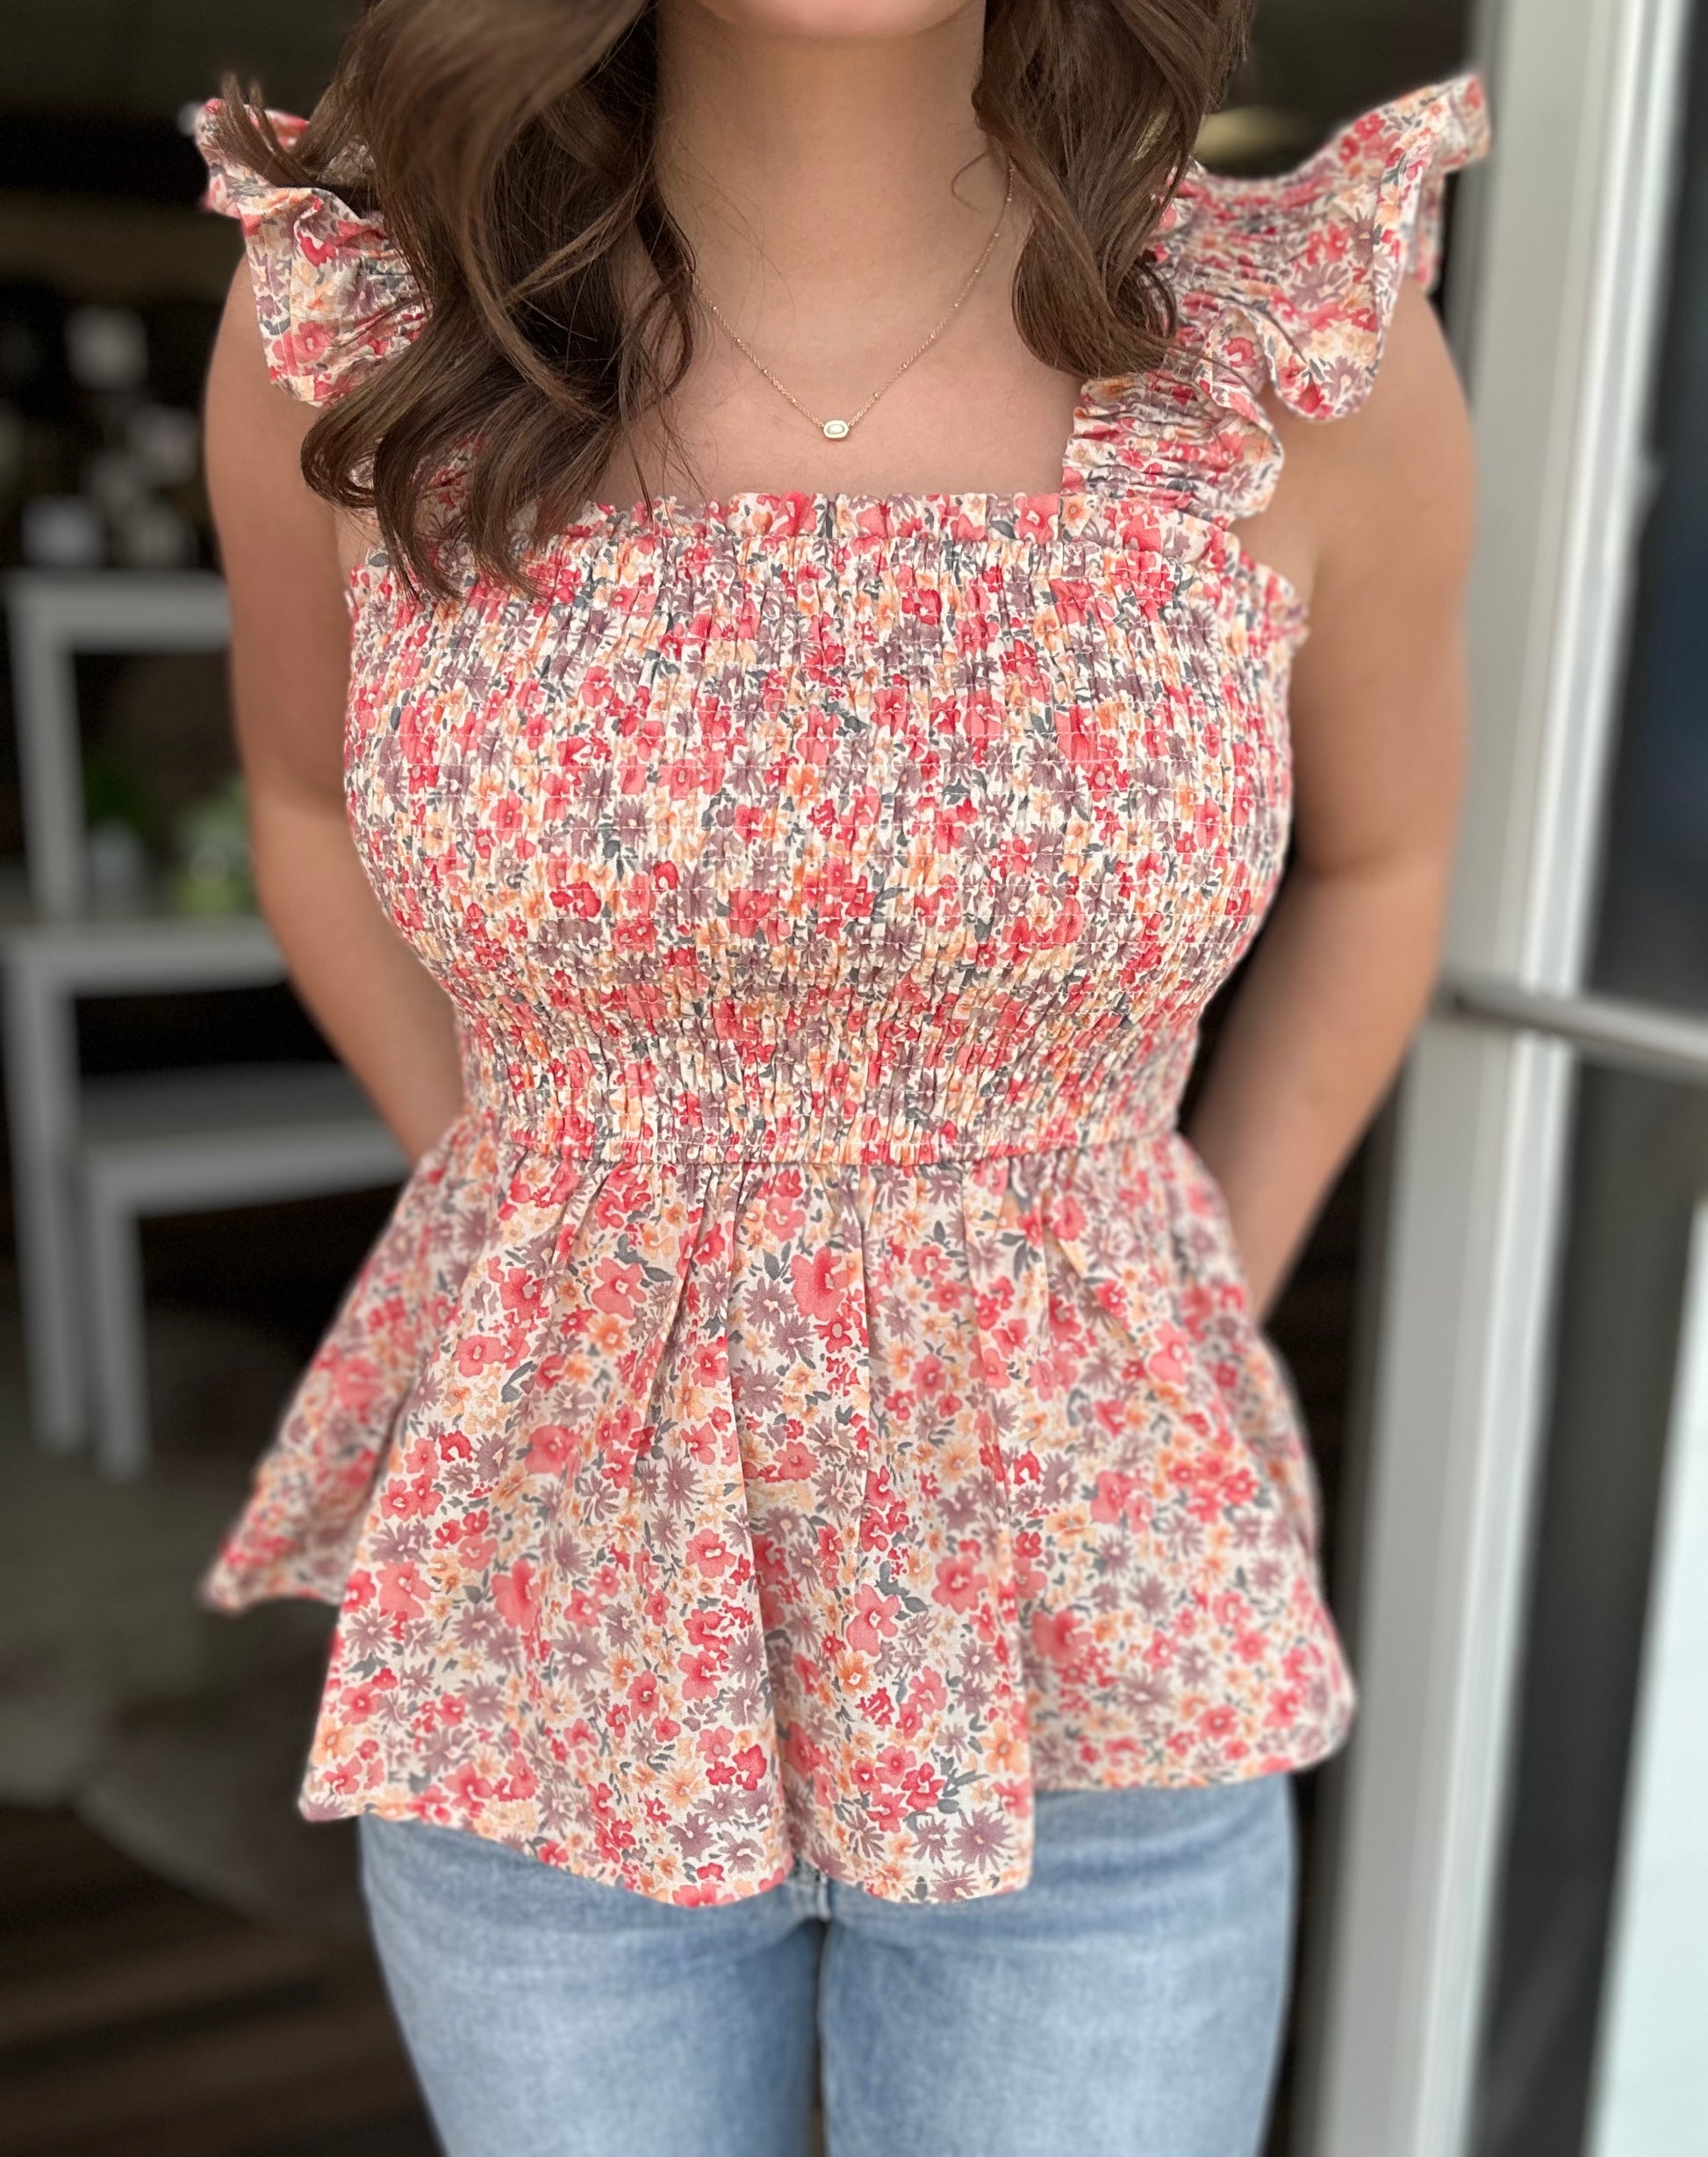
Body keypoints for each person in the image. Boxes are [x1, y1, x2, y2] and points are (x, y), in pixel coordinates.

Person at [196, 3, 1488, 2151]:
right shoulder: (366, 326)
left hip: (1097, 1639)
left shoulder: (1289, 343)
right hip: (552, 1613)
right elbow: (304, 804)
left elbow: (1386, 861)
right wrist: (537, 1199)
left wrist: (1181, 1290)